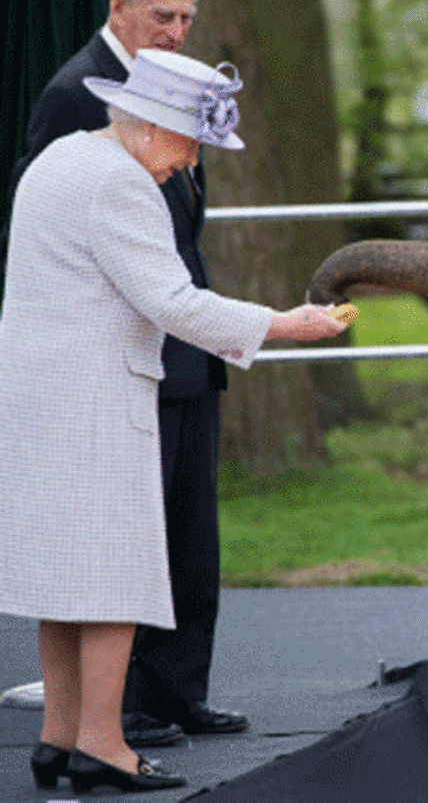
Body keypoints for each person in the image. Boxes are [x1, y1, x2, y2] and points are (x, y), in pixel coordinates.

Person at [0, 48, 349, 794]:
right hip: (96, 399)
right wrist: (288, 324)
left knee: (66, 577)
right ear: (156, 127)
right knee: (115, 577)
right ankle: (102, 744)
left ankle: (57, 739)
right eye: (193, 144)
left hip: (41, 396)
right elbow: (175, 302)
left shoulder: (62, 158)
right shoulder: (122, 184)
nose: (189, 163)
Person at [9, 0, 247, 747]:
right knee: (123, 544)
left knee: (189, 535)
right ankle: (123, 711)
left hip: (186, 343)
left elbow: (179, 220)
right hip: (124, 348)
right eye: (162, 16)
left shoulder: (172, 91)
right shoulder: (79, 95)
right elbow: (52, 225)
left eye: (187, 18)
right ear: (119, 8)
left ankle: (179, 689)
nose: (178, 32)